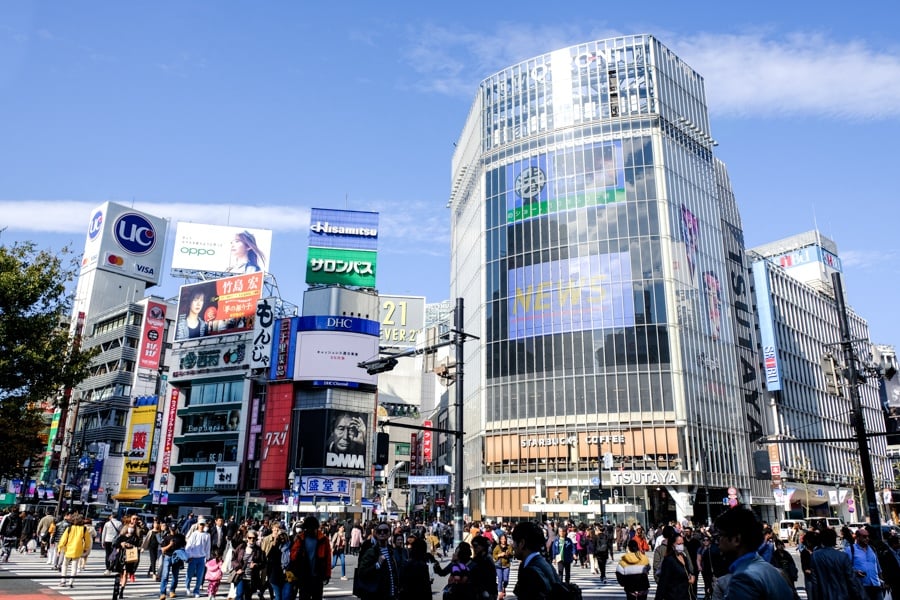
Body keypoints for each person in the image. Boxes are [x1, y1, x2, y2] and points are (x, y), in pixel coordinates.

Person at [715, 507, 794, 599]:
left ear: (736, 539)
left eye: (720, 536)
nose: (718, 542)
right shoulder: (773, 571)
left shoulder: (743, 578)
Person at [810, 527, 862, 600]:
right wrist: (856, 595)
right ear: (834, 539)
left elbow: (814, 581)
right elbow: (851, 579)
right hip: (843, 594)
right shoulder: (843, 556)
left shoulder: (814, 556)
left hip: (824, 595)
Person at [511, 521, 558, 600]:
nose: (513, 546)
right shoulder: (544, 563)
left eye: (514, 542)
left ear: (521, 543)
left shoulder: (530, 571)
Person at [288, 516, 331, 600]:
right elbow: (292, 556)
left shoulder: (323, 540)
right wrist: (298, 553)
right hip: (304, 575)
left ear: (316, 528)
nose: (310, 530)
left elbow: (328, 558)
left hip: (317, 575)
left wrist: (327, 574)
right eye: (308, 528)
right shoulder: (300, 539)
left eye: (313, 528)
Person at [358, 522, 401, 600]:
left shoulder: (392, 551)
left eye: (385, 531)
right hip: (377, 594)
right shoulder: (371, 552)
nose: (382, 533)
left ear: (389, 534)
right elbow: (362, 572)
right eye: (379, 531)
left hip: (392, 594)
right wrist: (377, 565)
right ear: (376, 534)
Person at [846, 527, 884, 600]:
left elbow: (877, 565)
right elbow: (846, 567)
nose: (867, 538)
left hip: (876, 584)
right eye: (864, 537)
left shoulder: (872, 548)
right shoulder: (850, 549)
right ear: (858, 537)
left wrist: (882, 579)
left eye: (867, 536)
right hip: (861, 586)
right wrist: (855, 572)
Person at [655, 532, 695, 600]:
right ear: (673, 544)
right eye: (679, 544)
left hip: (686, 595)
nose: (681, 546)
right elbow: (663, 582)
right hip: (674, 596)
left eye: (682, 543)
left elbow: (686, 573)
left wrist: (691, 577)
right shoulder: (669, 560)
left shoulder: (684, 557)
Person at [57, 513, 92, 588]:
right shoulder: (84, 529)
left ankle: (63, 581)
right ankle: (71, 582)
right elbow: (88, 540)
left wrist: (60, 548)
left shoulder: (69, 528)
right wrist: (86, 548)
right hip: (78, 549)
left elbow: (63, 539)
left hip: (68, 549)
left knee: (65, 565)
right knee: (74, 566)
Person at [112, 521, 142, 600]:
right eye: (130, 527)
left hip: (129, 557)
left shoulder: (135, 538)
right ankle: (118, 587)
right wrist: (121, 544)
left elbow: (138, 546)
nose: (131, 529)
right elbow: (115, 544)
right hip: (121, 557)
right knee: (120, 574)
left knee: (125, 573)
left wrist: (131, 545)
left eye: (133, 528)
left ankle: (122, 590)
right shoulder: (122, 536)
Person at [232, 530, 265, 600]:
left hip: (252, 577)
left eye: (254, 538)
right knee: (239, 594)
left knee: (248, 596)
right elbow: (234, 558)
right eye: (250, 538)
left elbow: (263, 563)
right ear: (247, 538)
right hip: (241, 576)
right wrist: (237, 568)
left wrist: (256, 565)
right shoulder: (241, 547)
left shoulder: (258, 550)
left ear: (256, 539)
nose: (252, 539)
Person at [159, 521, 187, 600]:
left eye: (174, 529)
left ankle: (172, 590)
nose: (173, 531)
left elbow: (184, 546)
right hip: (168, 557)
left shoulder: (181, 537)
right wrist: (170, 545)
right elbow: (163, 549)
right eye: (172, 529)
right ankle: (162, 593)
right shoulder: (166, 537)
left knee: (175, 576)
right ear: (169, 528)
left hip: (177, 558)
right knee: (165, 575)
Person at [185, 519, 212, 598]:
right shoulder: (194, 534)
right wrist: (189, 556)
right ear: (198, 525)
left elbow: (208, 547)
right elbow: (189, 545)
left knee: (200, 576)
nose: (201, 526)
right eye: (200, 524)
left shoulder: (207, 535)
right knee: (189, 574)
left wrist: (207, 557)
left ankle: (196, 590)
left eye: (203, 524)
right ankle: (187, 587)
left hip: (201, 558)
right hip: (193, 558)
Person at [469, 535, 499, 600]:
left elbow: (491, 576)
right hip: (482, 591)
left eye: (476, 546)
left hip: (486, 592)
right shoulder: (478, 558)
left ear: (482, 546)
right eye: (473, 546)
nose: (474, 548)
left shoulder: (486, 558)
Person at [492, 533, 513, 599]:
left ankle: (504, 587)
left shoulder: (509, 546)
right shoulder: (497, 547)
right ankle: (500, 593)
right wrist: (499, 555)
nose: (503, 540)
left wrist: (507, 554)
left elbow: (512, 555)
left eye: (504, 539)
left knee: (506, 579)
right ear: (500, 540)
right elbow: (494, 555)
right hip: (498, 565)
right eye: (502, 539)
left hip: (506, 565)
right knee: (500, 579)